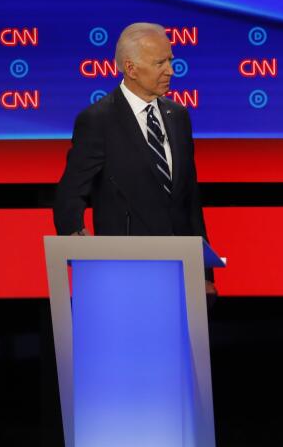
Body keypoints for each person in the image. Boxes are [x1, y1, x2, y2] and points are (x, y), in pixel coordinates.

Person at [53, 22, 214, 291]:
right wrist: (75, 238)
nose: (171, 71)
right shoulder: (98, 120)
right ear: (131, 68)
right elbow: (70, 192)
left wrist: (205, 273)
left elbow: (191, 202)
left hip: (180, 271)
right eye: (160, 62)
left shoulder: (179, 117)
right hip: (125, 271)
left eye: (171, 61)